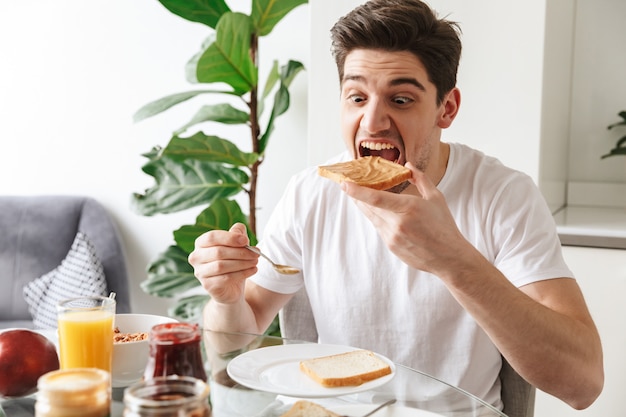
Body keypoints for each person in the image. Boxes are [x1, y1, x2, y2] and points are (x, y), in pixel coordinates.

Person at [188, 0, 603, 411]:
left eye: (400, 99)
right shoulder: (309, 193)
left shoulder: (502, 196)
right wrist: (227, 300)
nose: (372, 122)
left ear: (447, 108)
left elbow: (583, 384)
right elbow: (232, 345)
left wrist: (453, 260)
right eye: (356, 97)